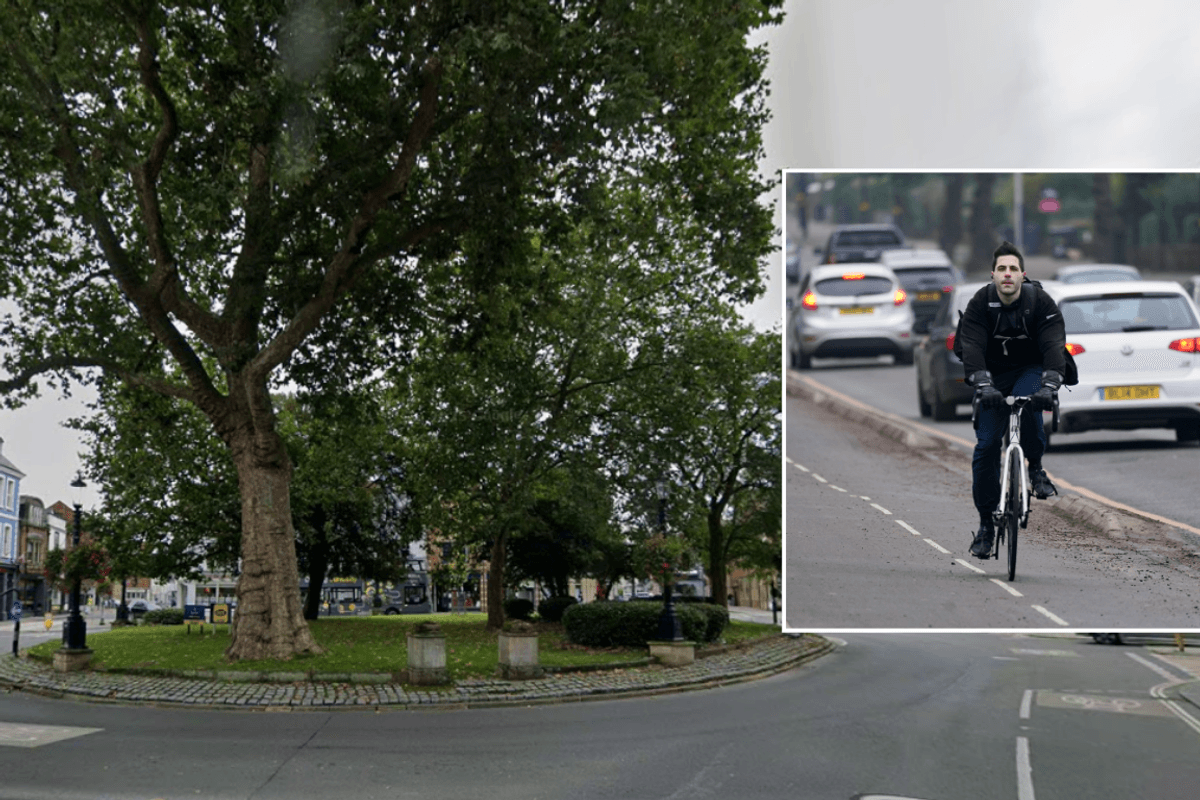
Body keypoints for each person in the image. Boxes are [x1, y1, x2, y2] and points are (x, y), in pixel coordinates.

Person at [958, 241, 1066, 558]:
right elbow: (972, 348)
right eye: (1002, 269)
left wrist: (1049, 386)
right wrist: (983, 384)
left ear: (1023, 275)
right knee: (987, 445)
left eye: (1013, 269)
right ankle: (986, 527)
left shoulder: (1040, 302)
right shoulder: (980, 303)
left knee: (1030, 402)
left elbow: (1054, 346)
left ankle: (1036, 469)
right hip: (991, 376)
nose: (1007, 274)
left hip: (1029, 370)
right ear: (993, 275)